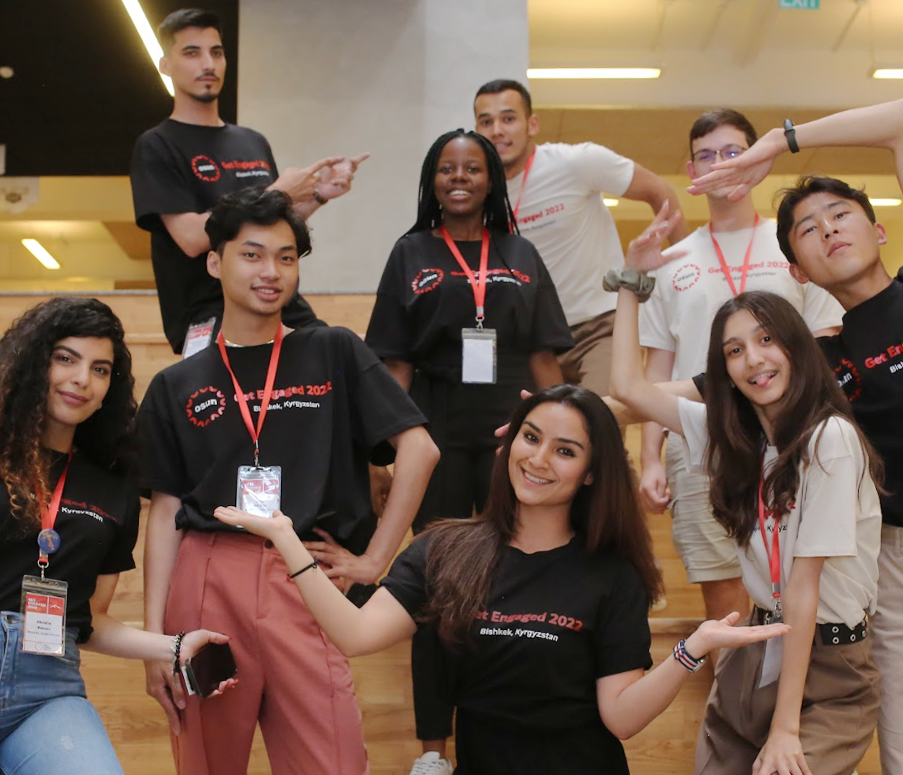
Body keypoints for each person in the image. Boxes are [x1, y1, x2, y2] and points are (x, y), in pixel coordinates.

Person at [688, 98, 903, 775]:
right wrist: (577, 403)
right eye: (806, 230)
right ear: (797, 270)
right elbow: (704, 387)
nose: (826, 230)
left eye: (839, 214)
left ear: (880, 230)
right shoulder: (816, 363)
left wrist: (781, 144)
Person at [211, 384, 788, 775]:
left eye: (565, 451)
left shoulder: (610, 574)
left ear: (591, 475)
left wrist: (692, 650)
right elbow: (356, 635)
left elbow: (621, 718)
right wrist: (288, 539)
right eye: (531, 438)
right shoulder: (446, 547)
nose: (538, 460)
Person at [137, 186, 439, 775]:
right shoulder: (177, 385)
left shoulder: (333, 351)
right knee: (207, 762)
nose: (270, 272)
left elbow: (419, 449)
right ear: (214, 261)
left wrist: (376, 560)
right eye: (251, 255)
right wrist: (158, 644)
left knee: (333, 761)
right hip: (208, 580)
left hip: (305, 573)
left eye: (286, 256)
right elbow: (165, 513)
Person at [0, 297, 230, 775]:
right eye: (65, 358)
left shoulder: (114, 488)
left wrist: (171, 647)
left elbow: (90, 621)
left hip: (47, 688)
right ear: (29, 364)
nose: (82, 379)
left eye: (100, 369)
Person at [612, 206, 883, 775]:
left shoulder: (829, 438)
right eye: (734, 351)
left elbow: (804, 587)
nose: (753, 359)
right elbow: (628, 388)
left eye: (765, 340)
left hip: (828, 661)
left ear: (795, 347)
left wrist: (785, 728)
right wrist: (634, 284)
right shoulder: (730, 440)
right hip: (757, 645)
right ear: (724, 371)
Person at [364, 128, 573, 774]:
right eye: (446, 168)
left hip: (518, 441)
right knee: (439, 591)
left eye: (473, 168)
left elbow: (544, 357)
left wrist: (577, 435)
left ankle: (509, 731)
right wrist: (381, 454)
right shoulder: (411, 251)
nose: (459, 177)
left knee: (520, 582)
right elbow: (392, 363)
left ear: (492, 179)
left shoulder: (520, 250)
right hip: (434, 437)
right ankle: (434, 749)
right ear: (432, 180)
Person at [636, 108, 843, 627]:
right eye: (707, 155)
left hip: (790, 438)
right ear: (692, 172)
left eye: (733, 152)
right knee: (724, 603)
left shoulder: (792, 242)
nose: (721, 164)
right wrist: (651, 458)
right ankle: (738, 706)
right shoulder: (671, 259)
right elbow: (656, 367)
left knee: (800, 584)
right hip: (699, 443)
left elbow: (825, 340)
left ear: (756, 161)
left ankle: (792, 705)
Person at [130, 8, 368, 356]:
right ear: (166, 65)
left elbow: (270, 224)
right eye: (192, 53)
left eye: (216, 52)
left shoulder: (252, 141)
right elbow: (193, 239)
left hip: (279, 305)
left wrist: (318, 195)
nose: (208, 64)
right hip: (211, 313)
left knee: (344, 358)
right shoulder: (156, 145)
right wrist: (280, 191)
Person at [472, 78, 687, 396]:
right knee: (541, 433)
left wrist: (685, 276)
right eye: (486, 122)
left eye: (508, 118)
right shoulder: (478, 192)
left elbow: (660, 192)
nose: (497, 130)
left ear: (532, 124)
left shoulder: (576, 162)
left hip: (598, 327)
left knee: (600, 423)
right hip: (531, 338)